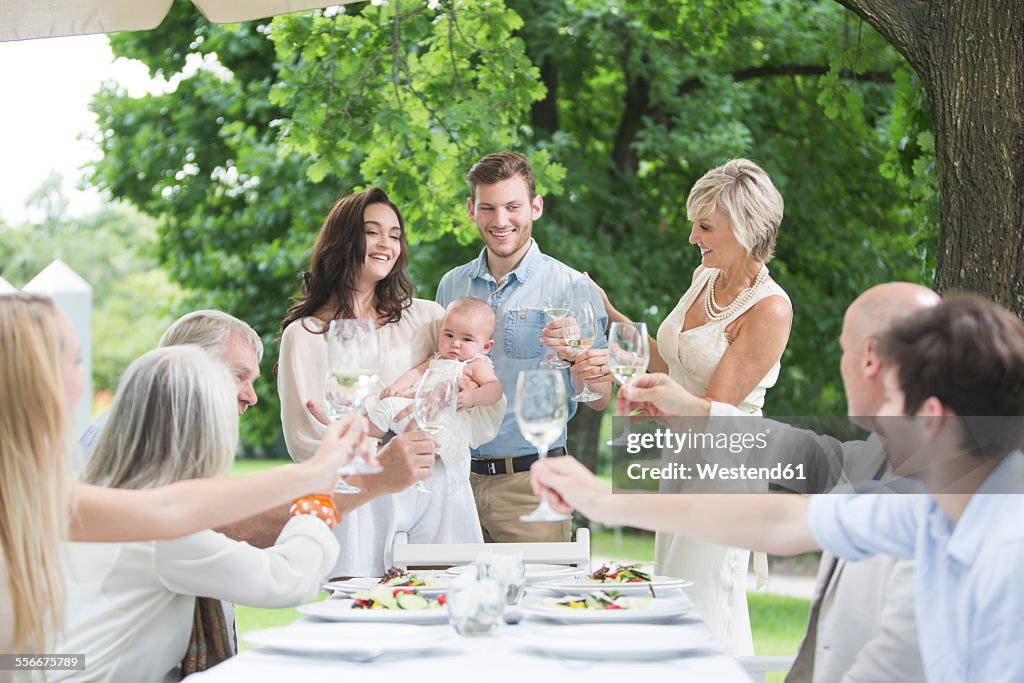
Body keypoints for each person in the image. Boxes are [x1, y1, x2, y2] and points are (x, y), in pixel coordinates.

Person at [533, 293, 1024, 683]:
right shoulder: (933, 505)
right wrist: (605, 500)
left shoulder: (1005, 554)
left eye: (893, 399)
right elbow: (783, 519)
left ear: (932, 419)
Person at [0, 293, 359, 657]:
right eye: (75, 361)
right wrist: (318, 481)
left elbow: (173, 506)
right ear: (35, 377)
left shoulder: (30, 487)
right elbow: (169, 514)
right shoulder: (42, 495)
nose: (83, 376)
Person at [574, 158, 792, 654]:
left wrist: (640, 394)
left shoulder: (770, 309)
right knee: (675, 596)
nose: (693, 236)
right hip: (682, 456)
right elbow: (670, 360)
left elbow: (713, 406)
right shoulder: (704, 278)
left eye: (706, 226)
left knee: (706, 603)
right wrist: (613, 320)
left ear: (746, 227)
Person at [51, 346, 341, 682]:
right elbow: (285, 580)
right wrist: (318, 497)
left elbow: (31, 662)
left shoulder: (89, 500)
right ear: (206, 431)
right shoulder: (160, 533)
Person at [279, 187, 480, 577]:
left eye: (394, 234)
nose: (386, 243)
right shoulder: (306, 335)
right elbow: (304, 438)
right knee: (360, 619)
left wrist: (469, 392)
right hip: (361, 500)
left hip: (437, 487)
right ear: (344, 240)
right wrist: (382, 452)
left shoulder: (427, 318)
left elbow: (466, 376)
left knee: (450, 609)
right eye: (372, 232)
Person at [435, 151, 611, 543]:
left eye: (513, 207)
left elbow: (599, 397)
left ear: (535, 207)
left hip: (531, 487)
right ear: (471, 210)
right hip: (454, 481)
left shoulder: (573, 287)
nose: (501, 221)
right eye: (488, 208)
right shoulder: (451, 286)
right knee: (454, 601)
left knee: (535, 603)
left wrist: (579, 357)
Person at [369, 297, 506, 496]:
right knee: (380, 402)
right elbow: (415, 372)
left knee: (388, 408)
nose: (455, 344)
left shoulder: (476, 365)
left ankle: (363, 440)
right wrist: (397, 388)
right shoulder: (437, 358)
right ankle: (368, 441)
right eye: (448, 335)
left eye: (466, 339)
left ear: (486, 346)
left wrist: (474, 397)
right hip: (421, 415)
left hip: (447, 425)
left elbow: (495, 389)